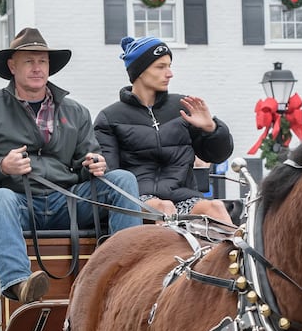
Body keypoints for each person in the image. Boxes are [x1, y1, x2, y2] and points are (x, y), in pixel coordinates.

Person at [0, 26, 141, 305]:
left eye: (42, 61)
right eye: (29, 61)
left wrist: (93, 164)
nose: (37, 67)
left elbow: (85, 160)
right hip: (17, 204)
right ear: (12, 66)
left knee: (123, 179)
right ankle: (18, 282)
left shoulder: (76, 111)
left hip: (68, 202)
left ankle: (129, 275)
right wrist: (2, 166)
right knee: (0, 197)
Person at [94, 36, 234, 225]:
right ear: (140, 71)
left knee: (216, 208)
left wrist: (211, 129)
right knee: (164, 209)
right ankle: (174, 255)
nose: (169, 73)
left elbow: (218, 155)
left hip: (183, 197)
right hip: (137, 200)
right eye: (160, 67)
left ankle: (237, 255)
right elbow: (112, 176)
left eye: (169, 66)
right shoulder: (110, 117)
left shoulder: (183, 107)